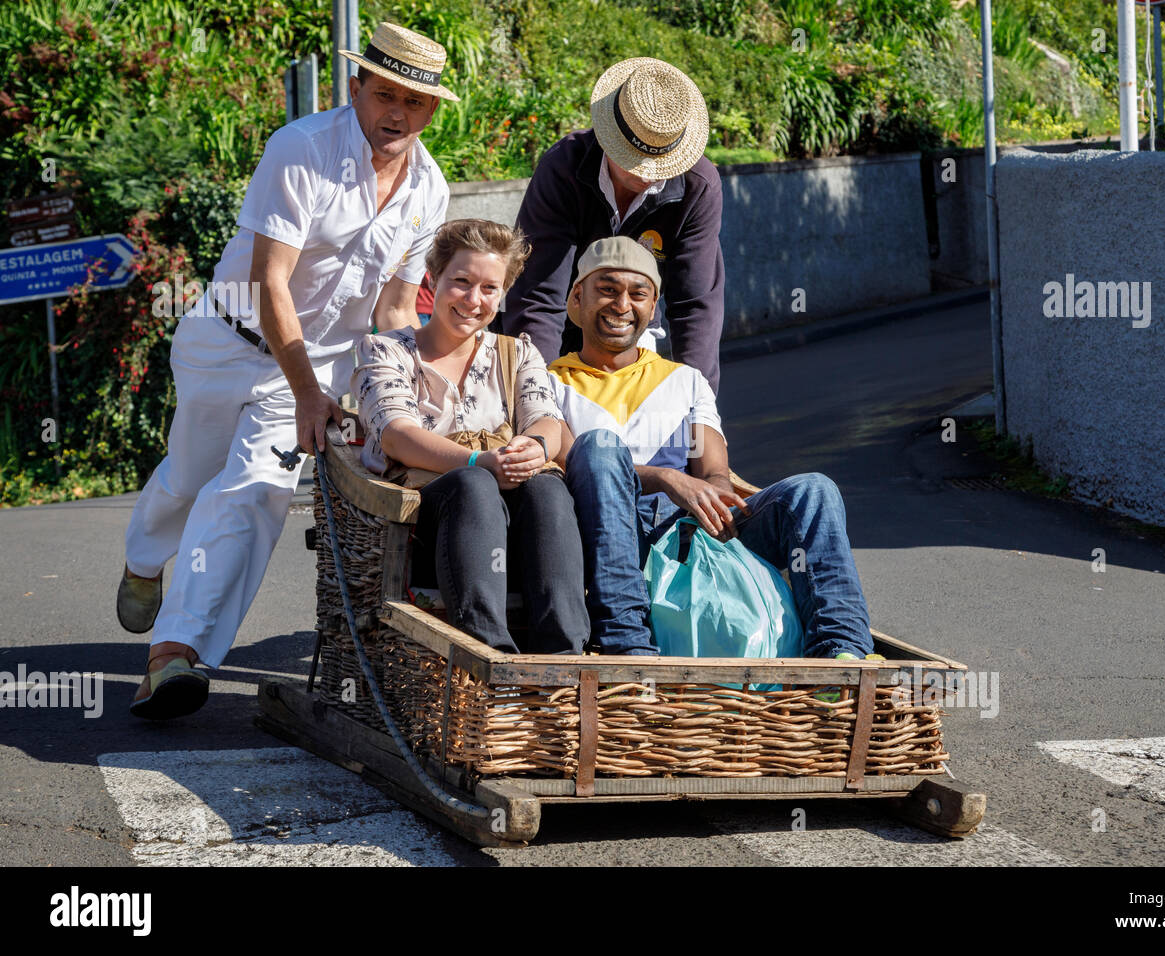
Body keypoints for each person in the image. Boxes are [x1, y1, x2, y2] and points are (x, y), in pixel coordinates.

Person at [119, 23, 457, 719]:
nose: (397, 114)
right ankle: (144, 560)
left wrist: (394, 396)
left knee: (253, 490)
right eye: (385, 94)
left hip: (317, 362)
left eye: (416, 104)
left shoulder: (430, 189)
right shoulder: (300, 149)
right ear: (357, 88)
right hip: (230, 339)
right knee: (188, 477)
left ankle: (176, 653)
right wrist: (308, 389)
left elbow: (395, 307)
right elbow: (272, 283)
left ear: (433, 112)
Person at [551, 237, 879, 661]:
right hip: (604, 534)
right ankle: (629, 646)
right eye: (607, 289)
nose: (621, 305)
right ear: (578, 297)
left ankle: (841, 652)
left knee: (813, 490)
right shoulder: (547, 380)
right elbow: (566, 462)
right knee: (598, 447)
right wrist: (667, 478)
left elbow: (714, 471)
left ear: (653, 308)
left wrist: (713, 496)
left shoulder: (684, 381)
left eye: (638, 293)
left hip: (686, 533)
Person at [352, 219, 587, 655]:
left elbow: (547, 420)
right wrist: (478, 463)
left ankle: (563, 660)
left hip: (515, 535)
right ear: (434, 279)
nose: (473, 301)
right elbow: (397, 435)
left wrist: (532, 447)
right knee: (474, 483)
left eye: (489, 289)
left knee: (546, 486)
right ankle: (491, 659)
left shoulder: (518, 352)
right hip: (423, 532)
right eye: (461, 282)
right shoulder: (386, 350)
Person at [502, 57, 726, 393]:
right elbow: (539, 297)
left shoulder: (699, 186)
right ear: (609, 136)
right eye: (634, 158)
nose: (645, 174)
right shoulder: (563, 167)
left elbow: (694, 306)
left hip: (638, 340)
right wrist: (537, 397)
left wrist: (699, 407)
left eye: (658, 163)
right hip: (555, 342)